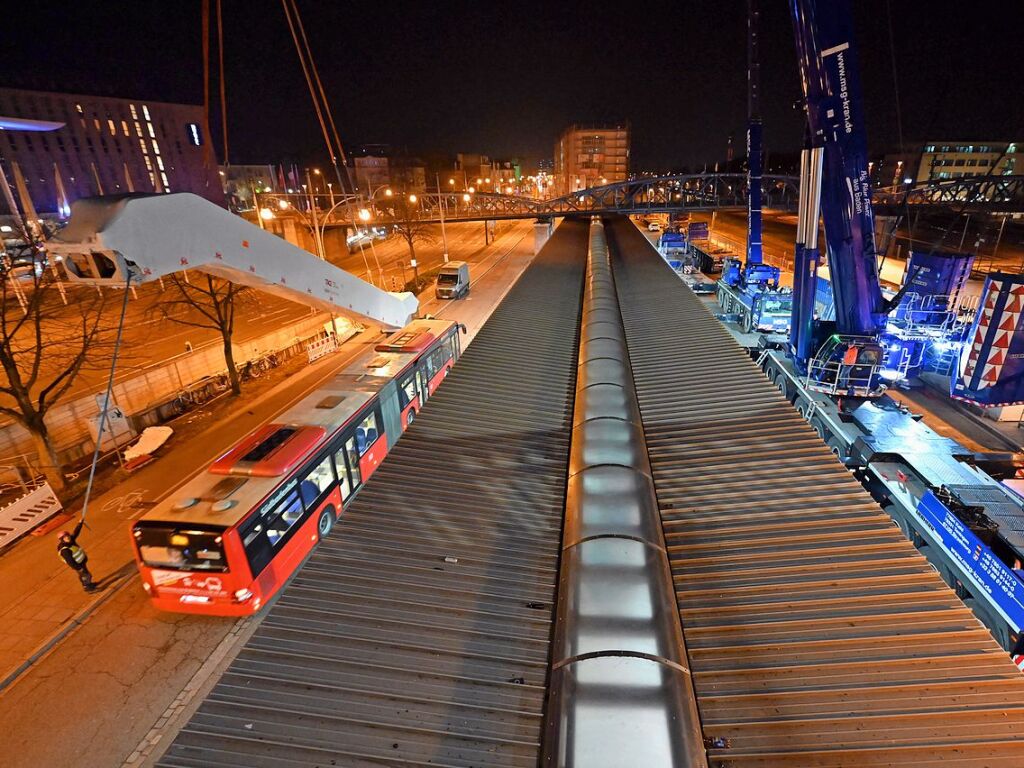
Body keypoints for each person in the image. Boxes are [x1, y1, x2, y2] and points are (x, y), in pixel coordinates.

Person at [57, 521, 96, 592]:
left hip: (81, 562)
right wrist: (79, 568)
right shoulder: (65, 550)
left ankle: (89, 584)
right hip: (78, 565)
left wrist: (80, 523)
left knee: (86, 575)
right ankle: (87, 588)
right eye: (65, 537)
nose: (68, 538)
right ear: (62, 540)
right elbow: (70, 562)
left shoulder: (70, 540)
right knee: (86, 575)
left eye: (67, 536)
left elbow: (76, 532)